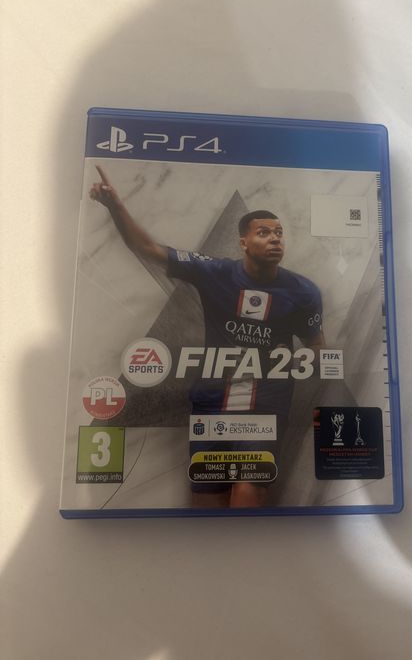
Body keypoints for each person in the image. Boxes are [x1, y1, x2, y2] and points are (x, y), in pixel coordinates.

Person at [90, 165, 325, 508]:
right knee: (206, 503)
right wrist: (115, 206)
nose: (275, 239)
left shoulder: (303, 292)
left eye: (279, 233)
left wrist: (302, 361)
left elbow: (316, 346)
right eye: (264, 232)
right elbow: (148, 247)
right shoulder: (212, 270)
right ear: (243, 242)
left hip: (265, 408)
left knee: (249, 491)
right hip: (212, 404)